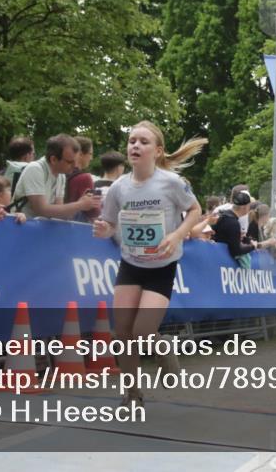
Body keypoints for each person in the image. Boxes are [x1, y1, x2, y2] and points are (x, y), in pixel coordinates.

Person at [93, 121, 204, 407]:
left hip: (162, 265)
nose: (135, 146)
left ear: (157, 150)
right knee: (124, 331)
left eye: (143, 142)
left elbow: (195, 209)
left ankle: (163, 346)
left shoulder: (171, 183)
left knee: (143, 331)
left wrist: (178, 234)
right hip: (131, 262)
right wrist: (105, 230)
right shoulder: (119, 187)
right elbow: (109, 221)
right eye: (132, 141)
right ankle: (132, 393)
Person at [12, 134, 101, 221]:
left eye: (75, 161)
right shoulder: (35, 169)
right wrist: (79, 205)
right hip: (21, 228)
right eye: (70, 162)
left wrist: (83, 202)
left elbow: (59, 213)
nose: (75, 166)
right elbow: (41, 210)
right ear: (53, 159)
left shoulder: (61, 175)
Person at [211, 190, 257, 264]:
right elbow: (236, 251)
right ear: (244, 208)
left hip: (215, 256)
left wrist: (245, 239)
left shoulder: (223, 215)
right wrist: (253, 247)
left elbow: (226, 237)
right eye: (249, 207)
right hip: (221, 262)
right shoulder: (233, 223)